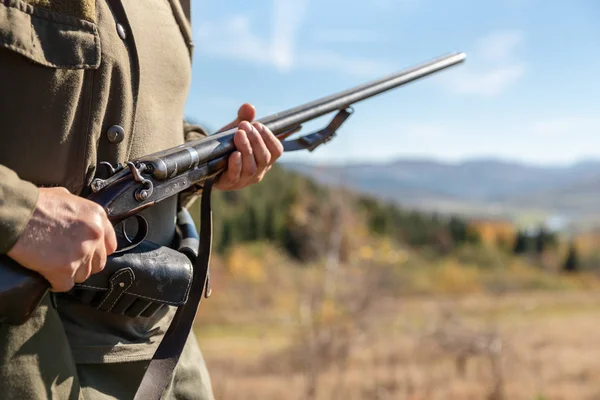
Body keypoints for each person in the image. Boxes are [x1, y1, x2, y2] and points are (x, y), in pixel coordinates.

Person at [0, 0, 283, 398]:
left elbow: (142, 123)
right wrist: (19, 213)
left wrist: (212, 158)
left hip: (161, 341)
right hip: (24, 349)